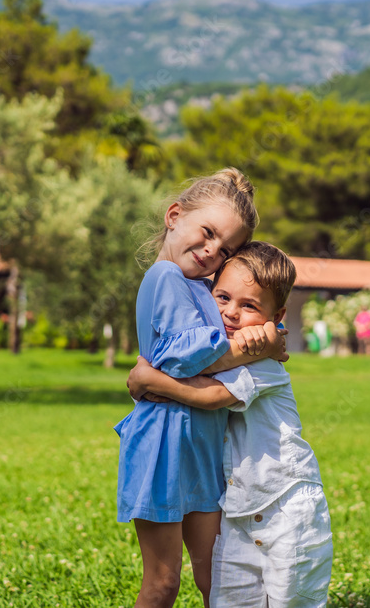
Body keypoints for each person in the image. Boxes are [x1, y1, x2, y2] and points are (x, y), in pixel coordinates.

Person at [115, 170, 290, 608]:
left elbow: (242, 322)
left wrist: (265, 335)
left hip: (204, 449)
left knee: (218, 576)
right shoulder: (166, 277)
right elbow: (185, 358)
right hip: (163, 445)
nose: (212, 250)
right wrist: (257, 349)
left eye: (225, 249)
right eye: (208, 232)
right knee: (162, 583)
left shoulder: (203, 288)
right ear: (174, 216)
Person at [128, 241, 333, 607]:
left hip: (285, 504)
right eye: (222, 297)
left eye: (249, 305)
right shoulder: (232, 350)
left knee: (291, 599)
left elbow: (211, 396)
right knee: (234, 598)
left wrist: (149, 379)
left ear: (277, 314)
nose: (231, 313)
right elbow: (195, 367)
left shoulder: (263, 362)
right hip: (240, 506)